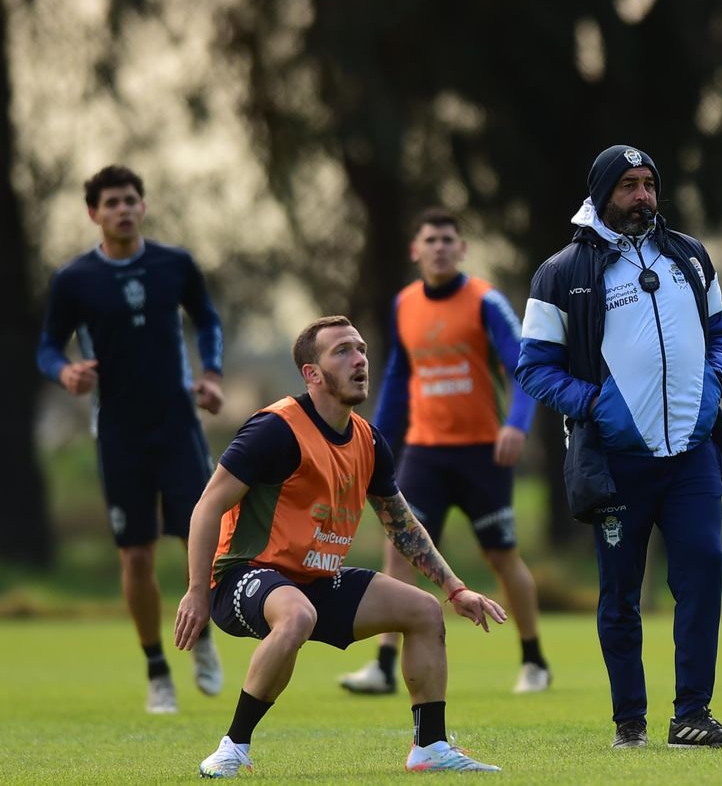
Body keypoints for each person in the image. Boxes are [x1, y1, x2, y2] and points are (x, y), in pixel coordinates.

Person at [174, 315, 507, 777]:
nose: (359, 360)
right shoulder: (274, 430)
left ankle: (430, 747)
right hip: (242, 576)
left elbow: (402, 524)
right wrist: (195, 590)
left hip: (315, 580)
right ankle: (234, 747)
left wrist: (455, 588)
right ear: (312, 373)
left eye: (362, 349)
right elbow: (207, 506)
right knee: (297, 615)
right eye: (343, 351)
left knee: (424, 611)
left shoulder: (369, 440)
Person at [517, 144, 722, 749]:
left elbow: (718, 333)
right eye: (628, 185)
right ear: (602, 194)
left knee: (702, 572)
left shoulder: (690, 256)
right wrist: (597, 405)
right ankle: (630, 723)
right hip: (617, 460)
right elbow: (534, 367)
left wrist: (714, 382)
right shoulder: (561, 272)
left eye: (649, 183)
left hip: (693, 454)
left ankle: (692, 714)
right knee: (621, 594)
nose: (643, 195)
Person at [36, 164, 225, 715]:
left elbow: (207, 320)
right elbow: (47, 347)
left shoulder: (175, 264)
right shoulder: (74, 279)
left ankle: (202, 636)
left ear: (143, 206)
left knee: (200, 538)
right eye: (111, 203)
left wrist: (212, 375)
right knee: (136, 555)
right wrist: (65, 372)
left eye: (130, 200)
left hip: (178, 426)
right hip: (118, 432)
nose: (122, 210)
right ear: (93, 213)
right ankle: (157, 670)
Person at [338, 208, 549, 696]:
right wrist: (374, 440)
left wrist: (517, 425)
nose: (439, 248)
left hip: (482, 454)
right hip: (425, 454)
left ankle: (534, 660)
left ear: (462, 249)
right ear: (416, 250)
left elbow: (524, 369)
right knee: (399, 548)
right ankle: (385, 665)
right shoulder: (405, 304)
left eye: (448, 239)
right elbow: (398, 378)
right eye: (430, 240)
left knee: (501, 556)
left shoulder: (486, 302)